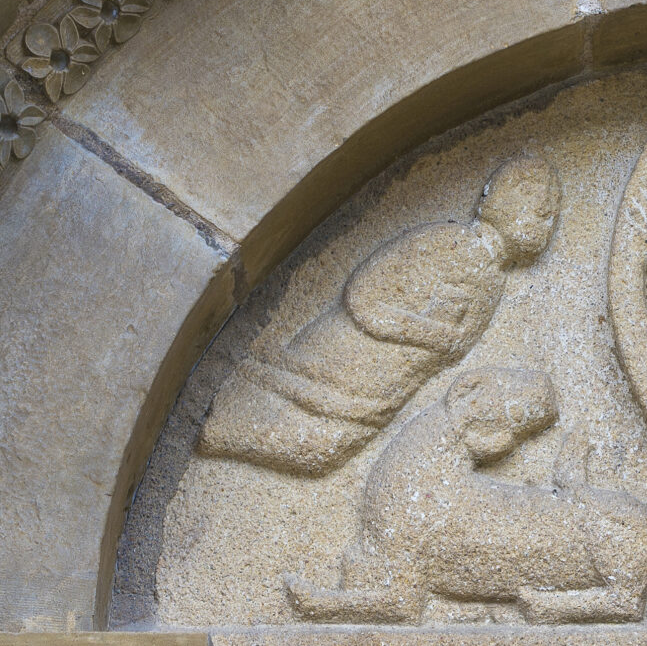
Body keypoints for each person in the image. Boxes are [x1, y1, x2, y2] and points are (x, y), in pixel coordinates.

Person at [198, 152, 558, 474]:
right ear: (507, 200)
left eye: (551, 218)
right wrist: (431, 334)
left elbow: (455, 346)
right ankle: (217, 424)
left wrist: (441, 345)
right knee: (304, 439)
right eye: (541, 212)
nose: (546, 226)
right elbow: (363, 296)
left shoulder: (493, 281)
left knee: (323, 450)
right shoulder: (449, 244)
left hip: (385, 386)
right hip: (344, 358)